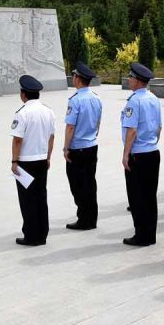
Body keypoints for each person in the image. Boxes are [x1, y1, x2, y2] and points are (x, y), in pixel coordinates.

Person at [10, 75, 56, 246]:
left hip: (25, 162)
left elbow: (17, 140)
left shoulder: (22, 113)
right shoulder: (48, 111)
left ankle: (31, 235)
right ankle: (42, 233)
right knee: (41, 197)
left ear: (23, 94)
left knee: (27, 199)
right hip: (42, 160)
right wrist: (48, 157)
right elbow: (51, 137)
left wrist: (14, 161)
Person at [121, 62, 162, 246]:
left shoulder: (134, 101)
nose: (129, 80)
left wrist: (125, 154)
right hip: (152, 151)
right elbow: (159, 127)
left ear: (138, 81)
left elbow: (132, 130)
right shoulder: (153, 98)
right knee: (150, 196)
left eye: (131, 77)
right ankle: (150, 234)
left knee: (137, 197)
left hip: (138, 154)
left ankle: (141, 235)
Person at [63, 62, 102, 231]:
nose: (73, 78)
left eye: (74, 76)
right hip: (91, 145)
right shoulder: (96, 98)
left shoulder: (75, 100)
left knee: (78, 185)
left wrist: (66, 148)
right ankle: (91, 218)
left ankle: (84, 219)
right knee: (90, 183)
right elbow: (98, 122)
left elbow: (70, 126)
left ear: (78, 79)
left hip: (77, 148)